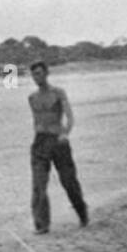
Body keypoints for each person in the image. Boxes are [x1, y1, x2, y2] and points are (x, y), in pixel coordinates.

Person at [27, 61, 88, 234]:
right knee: (38, 185)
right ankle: (42, 224)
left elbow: (69, 116)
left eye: (39, 73)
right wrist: (38, 139)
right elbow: (37, 121)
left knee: (69, 181)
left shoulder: (58, 93)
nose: (36, 77)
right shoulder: (32, 98)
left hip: (58, 142)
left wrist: (65, 133)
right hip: (40, 142)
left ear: (47, 73)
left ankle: (82, 213)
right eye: (34, 74)